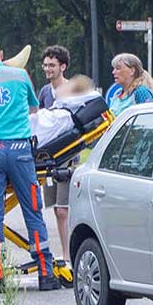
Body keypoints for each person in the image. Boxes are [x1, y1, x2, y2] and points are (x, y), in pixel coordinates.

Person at [0, 38, 56, 292]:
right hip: (20, 151)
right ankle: (46, 274)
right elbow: (34, 108)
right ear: (1, 54)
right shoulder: (20, 75)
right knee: (33, 210)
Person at [48, 73, 97, 259]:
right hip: (53, 159)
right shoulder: (58, 107)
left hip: (63, 161)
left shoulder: (66, 114)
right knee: (58, 210)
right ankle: (65, 253)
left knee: (63, 210)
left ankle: (69, 256)